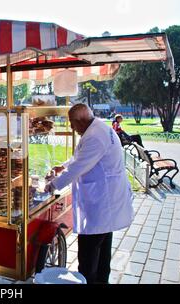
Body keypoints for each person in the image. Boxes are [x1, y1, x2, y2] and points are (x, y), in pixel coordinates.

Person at [45, 104, 134, 284]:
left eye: (72, 123)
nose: (71, 128)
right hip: (105, 202)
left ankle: (90, 281)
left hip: (101, 204)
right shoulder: (96, 128)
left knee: (88, 255)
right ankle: (101, 281)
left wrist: (51, 185)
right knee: (102, 251)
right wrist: (63, 165)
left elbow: (79, 167)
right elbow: (81, 157)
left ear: (81, 120)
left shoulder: (95, 136)